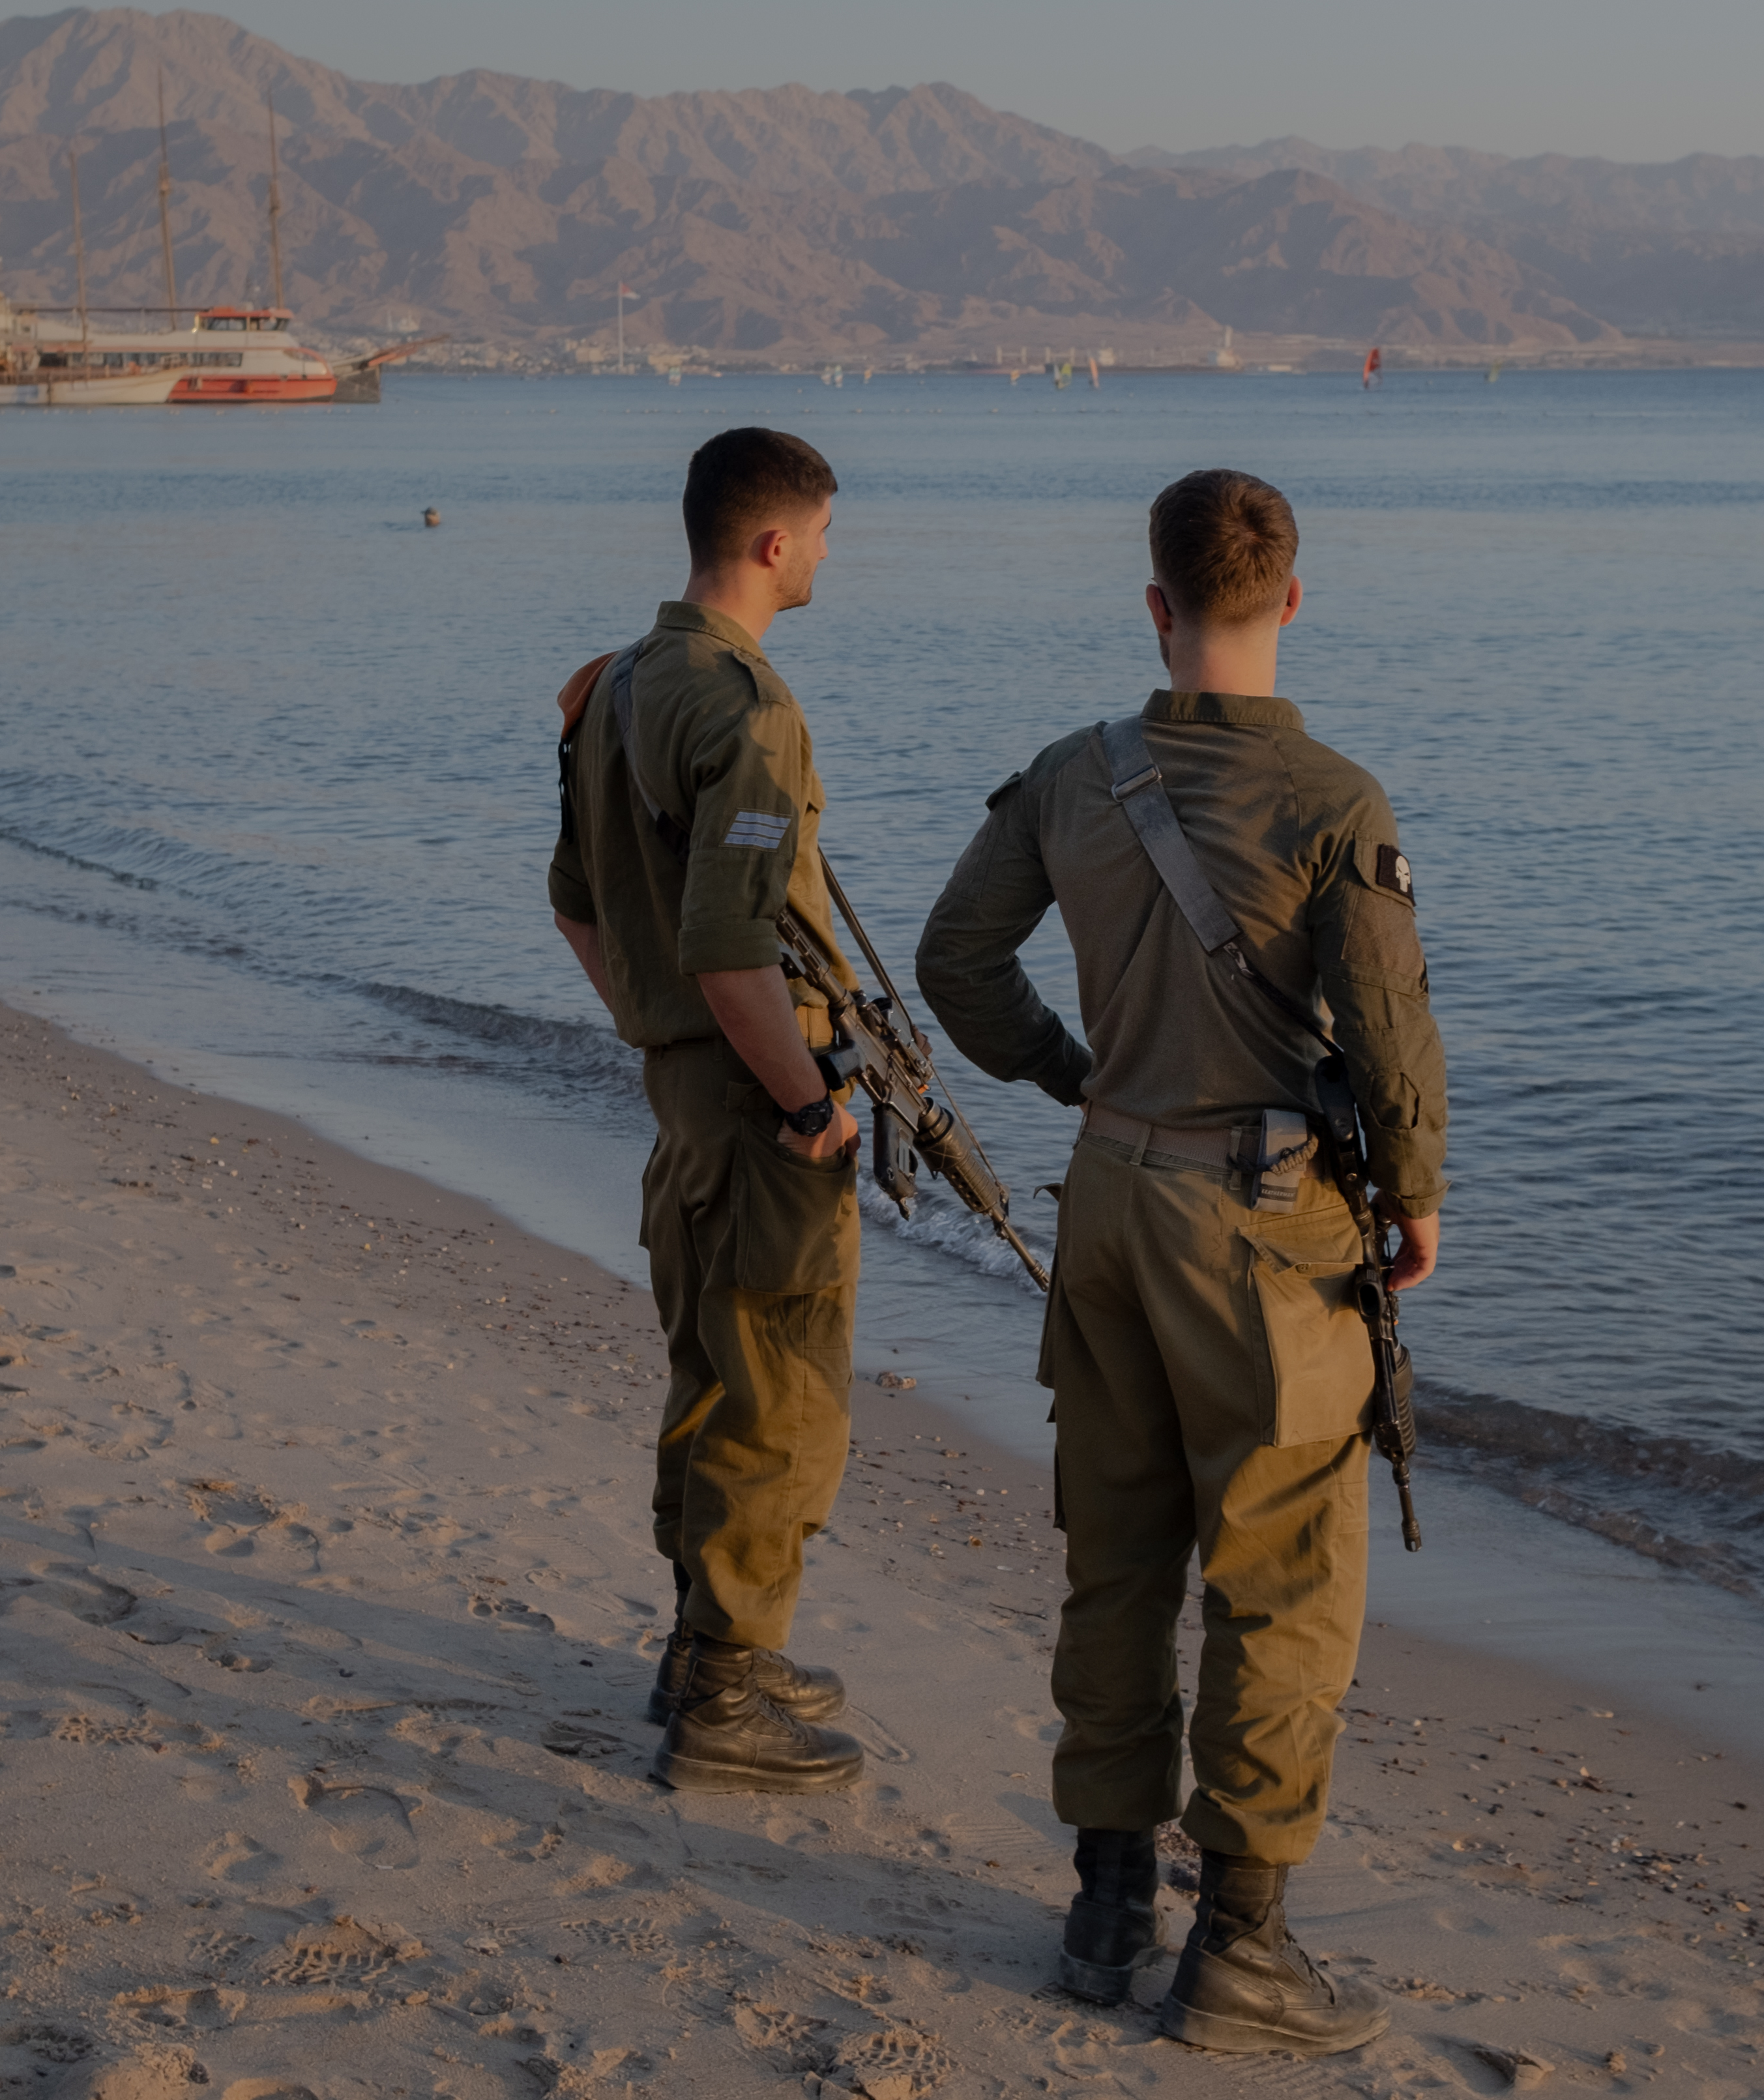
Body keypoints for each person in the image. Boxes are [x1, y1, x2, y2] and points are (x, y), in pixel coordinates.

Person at [915, 468, 1448, 2054]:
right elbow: (1388, 1034)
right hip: (1264, 1230)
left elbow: (955, 959)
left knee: (1118, 1550)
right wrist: (1415, 1193)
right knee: (1280, 1582)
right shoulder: (1333, 801)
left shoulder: (1072, 775)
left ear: (1152, 603)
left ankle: (1102, 1907)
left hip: (1108, 1197)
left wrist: (1068, 1072)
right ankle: (1239, 1944)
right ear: (1293, 599)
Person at [550, 426, 874, 1795]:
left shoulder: (616, 685)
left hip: (684, 1086)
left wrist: (654, 1021)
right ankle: (726, 1694)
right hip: (752, 1092)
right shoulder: (744, 709)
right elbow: (736, 948)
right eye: (821, 537)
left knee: (711, 1368)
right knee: (779, 1391)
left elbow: (576, 907)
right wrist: (807, 1101)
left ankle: (703, 1650)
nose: (825, 559)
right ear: (772, 542)